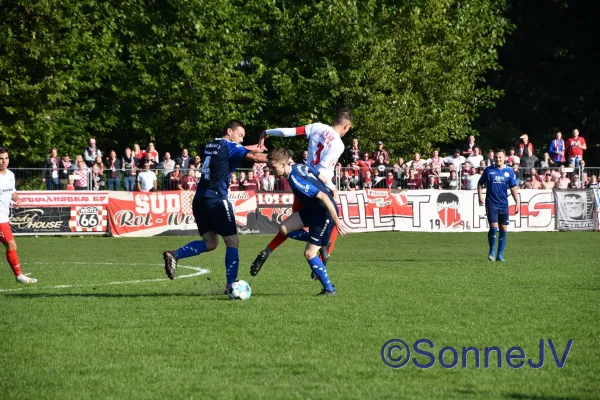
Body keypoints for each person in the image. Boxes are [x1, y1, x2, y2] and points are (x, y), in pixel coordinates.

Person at [162, 120, 267, 293]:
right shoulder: (231, 147)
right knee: (232, 241)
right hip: (217, 199)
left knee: (211, 242)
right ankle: (230, 285)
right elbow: (254, 157)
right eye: (239, 135)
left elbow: (237, 148)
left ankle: (175, 254)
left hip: (200, 199)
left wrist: (256, 146)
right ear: (229, 131)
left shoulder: (212, 144)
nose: (241, 140)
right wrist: (282, 159)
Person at [250, 107, 353, 277]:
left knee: (289, 226)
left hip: (300, 182)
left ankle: (268, 250)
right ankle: (321, 255)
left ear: (334, 121)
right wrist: (333, 188)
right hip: (317, 187)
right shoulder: (338, 145)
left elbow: (289, 132)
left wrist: (267, 132)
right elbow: (324, 172)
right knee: (333, 220)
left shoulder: (317, 127)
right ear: (346, 126)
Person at [265, 148, 346, 295]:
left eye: (273, 167)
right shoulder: (300, 166)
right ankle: (321, 242)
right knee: (284, 228)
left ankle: (329, 289)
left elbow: (324, 197)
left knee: (309, 253)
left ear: (283, 165)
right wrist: (330, 186)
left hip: (324, 214)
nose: (271, 170)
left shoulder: (295, 180)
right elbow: (321, 177)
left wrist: (336, 219)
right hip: (312, 210)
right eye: (269, 167)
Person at [0, 148, 37, 283]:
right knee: (11, 245)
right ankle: (19, 276)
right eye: (1, 158)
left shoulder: (10, 174)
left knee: (11, 246)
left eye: (6, 158)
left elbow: (12, 192)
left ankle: (19, 276)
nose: (4, 161)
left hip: (4, 218)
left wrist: (17, 199)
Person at [477, 149, 520, 262]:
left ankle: (499, 255)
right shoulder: (489, 170)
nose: (498, 159)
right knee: (493, 228)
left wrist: (517, 202)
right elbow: (480, 184)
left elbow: (513, 188)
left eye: (500, 157)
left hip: (503, 204)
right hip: (491, 203)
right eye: (496, 157)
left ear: (504, 158)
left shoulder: (509, 171)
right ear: (494, 158)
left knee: (504, 228)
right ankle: (492, 250)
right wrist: (480, 196)